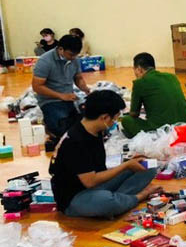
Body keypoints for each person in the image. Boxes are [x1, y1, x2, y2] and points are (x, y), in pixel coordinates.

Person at [50, 90, 162, 218]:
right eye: (114, 118)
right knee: (107, 201)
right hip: (75, 197)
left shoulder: (95, 130)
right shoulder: (76, 140)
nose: (114, 122)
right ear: (104, 117)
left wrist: (128, 162)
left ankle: (120, 201)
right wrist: (126, 166)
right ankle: (138, 197)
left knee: (148, 167)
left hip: (97, 187)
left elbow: (98, 170)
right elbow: (90, 181)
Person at [32, 35, 91, 150]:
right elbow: (37, 87)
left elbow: (78, 77)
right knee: (63, 128)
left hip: (70, 98)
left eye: (76, 55)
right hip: (50, 100)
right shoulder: (45, 61)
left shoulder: (74, 59)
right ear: (60, 49)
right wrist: (61, 96)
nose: (73, 58)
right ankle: (49, 127)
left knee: (87, 123)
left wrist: (85, 88)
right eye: (71, 54)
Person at [120, 52, 186, 137]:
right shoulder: (172, 77)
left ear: (139, 69)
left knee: (126, 120)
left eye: (134, 70)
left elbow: (134, 114)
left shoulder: (139, 83)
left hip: (161, 128)